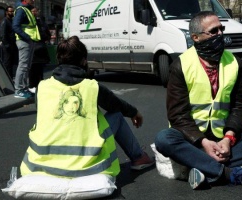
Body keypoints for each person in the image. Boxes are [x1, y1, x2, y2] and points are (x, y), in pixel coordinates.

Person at [154, 11, 242, 190]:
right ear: (196, 37)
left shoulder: (234, 62)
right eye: (214, 31)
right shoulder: (181, 65)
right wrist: (203, 142)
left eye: (221, 29)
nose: (220, 34)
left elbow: (239, 106)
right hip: (193, 138)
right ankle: (230, 173)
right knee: (164, 139)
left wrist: (228, 138)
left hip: (223, 136)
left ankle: (202, 167)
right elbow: (177, 115)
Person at [20, 35, 154, 179]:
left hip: (42, 163)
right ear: (84, 60)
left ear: (58, 60)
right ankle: (139, 157)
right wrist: (134, 112)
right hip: (86, 163)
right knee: (116, 115)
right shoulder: (92, 87)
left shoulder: (43, 87)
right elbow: (116, 105)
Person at [12, 0, 40, 98]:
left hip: (28, 41)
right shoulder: (21, 10)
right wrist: (27, 37)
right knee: (23, 65)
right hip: (24, 41)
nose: (33, 0)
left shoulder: (26, 10)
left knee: (26, 66)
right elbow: (15, 26)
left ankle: (23, 88)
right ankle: (19, 90)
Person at [28, 7, 50, 94]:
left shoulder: (42, 22)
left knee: (40, 69)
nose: (34, 13)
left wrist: (44, 37)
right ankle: (32, 86)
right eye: (32, 11)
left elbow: (47, 34)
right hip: (32, 48)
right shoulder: (28, 22)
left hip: (41, 48)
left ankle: (40, 86)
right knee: (32, 69)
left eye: (35, 11)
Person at [0, 6, 18, 80]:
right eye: (10, 11)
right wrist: (6, 45)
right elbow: (2, 34)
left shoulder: (12, 21)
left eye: (13, 11)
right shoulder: (5, 21)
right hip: (7, 46)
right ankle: (7, 79)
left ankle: (11, 78)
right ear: (6, 12)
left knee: (12, 63)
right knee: (7, 63)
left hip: (13, 45)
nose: (12, 13)